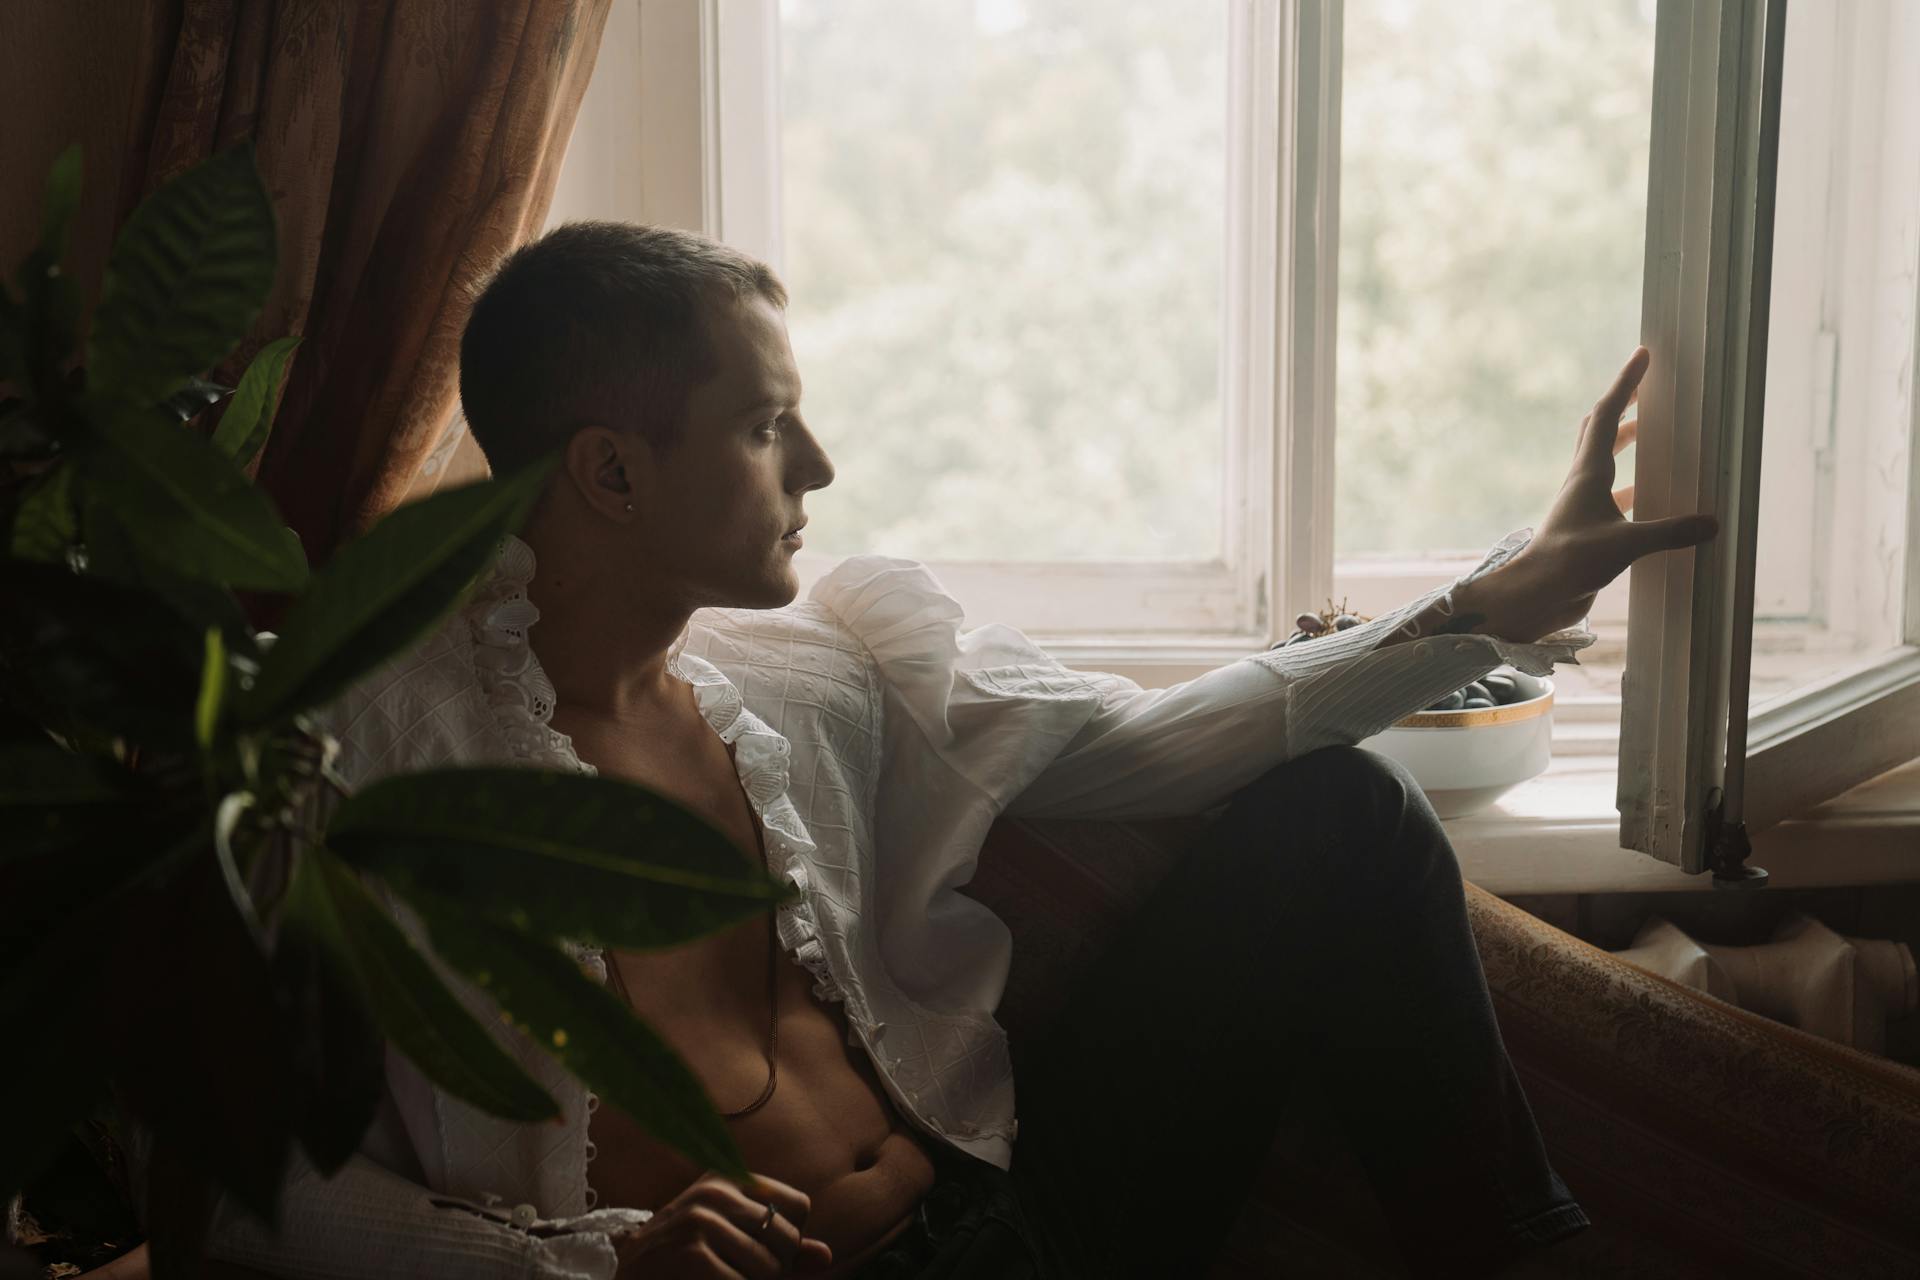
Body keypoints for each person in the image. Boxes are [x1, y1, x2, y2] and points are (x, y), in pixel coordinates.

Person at [193, 222, 1716, 1279]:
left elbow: (1145, 755)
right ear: (608, 469)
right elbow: (234, 1189)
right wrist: (590, 1275)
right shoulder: (358, 759)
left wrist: (1480, 608)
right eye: (765, 427)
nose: (822, 469)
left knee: (1343, 816)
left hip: (1013, 1231)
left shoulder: (800, 677)